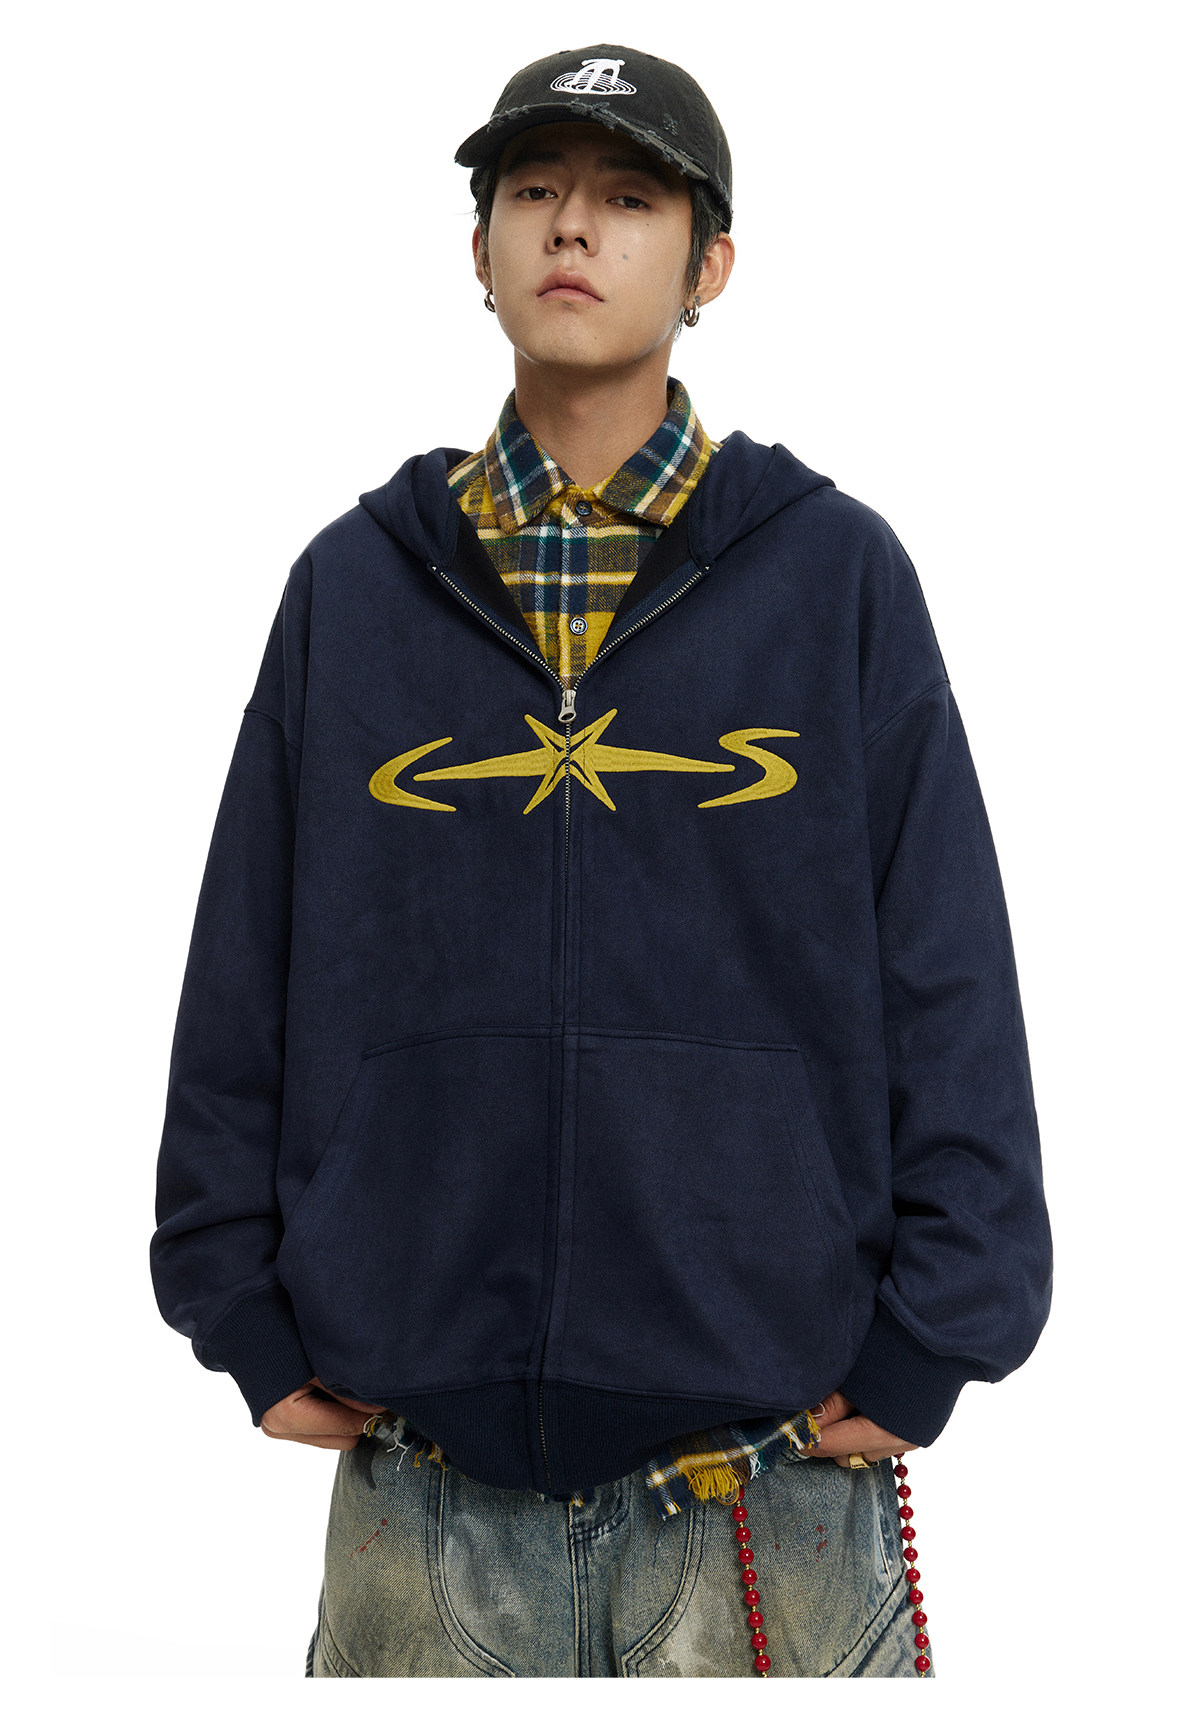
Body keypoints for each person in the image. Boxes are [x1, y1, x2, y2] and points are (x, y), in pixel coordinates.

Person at [149, 43, 1052, 1679]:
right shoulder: (351, 591)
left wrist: (938, 1334)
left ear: (711, 265)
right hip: (422, 1498)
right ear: (479, 246)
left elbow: (946, 965)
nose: (573, 227)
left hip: (772, 1491)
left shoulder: (836, 579)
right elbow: (244, 967)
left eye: (630, 197)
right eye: (534, 191)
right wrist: (240, 1307)